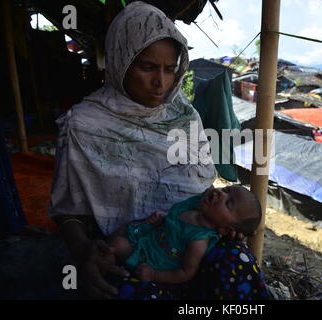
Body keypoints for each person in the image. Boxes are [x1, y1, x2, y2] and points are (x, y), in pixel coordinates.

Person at [48, 2, 269, 300]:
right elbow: (69, 210)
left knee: (240, 270)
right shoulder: (84, 124)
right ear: (120, 61)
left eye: (169, 69)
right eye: (147, 67)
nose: (160, 82)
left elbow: (200, 187)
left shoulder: (185, 117)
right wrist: (82, 248)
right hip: (128, 249)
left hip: (191, 242)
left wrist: (225, 221)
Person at [108, 185, 261, 284]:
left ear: (226, 229)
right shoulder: (195, 204)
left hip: (151, 258)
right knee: (121, 230)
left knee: (116, 244)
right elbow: (172, 223)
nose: (220, 193)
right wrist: (159, 220)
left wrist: (153, 275)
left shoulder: (198, 241)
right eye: (226, 189)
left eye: (228, 203)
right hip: (148, 236)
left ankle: (108, 263)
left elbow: (185, 273)